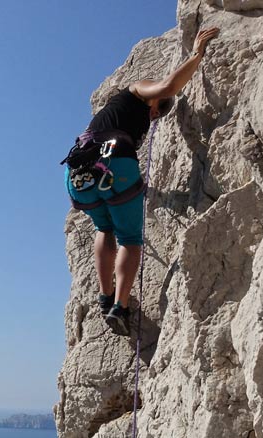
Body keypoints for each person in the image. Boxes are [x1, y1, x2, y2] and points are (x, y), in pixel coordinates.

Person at [64, 27, 220, 335]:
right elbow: (169, 85)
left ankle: (105, 296)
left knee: (103, 228)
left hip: (78, 175)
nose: (153, 117)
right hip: (115, 166)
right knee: (130, 239)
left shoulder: (112, 117)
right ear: (154, 101)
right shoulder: (136, 91)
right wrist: (197, 53)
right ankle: (120, 307)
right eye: (157, 109)